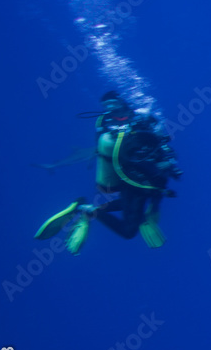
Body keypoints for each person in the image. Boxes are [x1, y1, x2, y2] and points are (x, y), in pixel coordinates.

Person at [34, 92, 181, 254]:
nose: (111, 109)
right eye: (107, 105)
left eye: (113, 103)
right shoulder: (110, 124)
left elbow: (164, 144)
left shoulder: (144, 119)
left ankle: (89, 208)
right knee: (128, 232)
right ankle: (85, 209)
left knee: (133, 206)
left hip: (148, 183)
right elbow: (109, 150)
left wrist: (171, 163)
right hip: (133, 179)